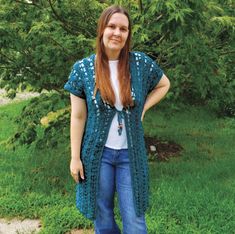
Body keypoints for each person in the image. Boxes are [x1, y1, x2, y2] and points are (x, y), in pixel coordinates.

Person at [64, 5, 170, 234]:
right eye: (112, 26)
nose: (117, 33)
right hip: (97, 156)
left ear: (128, 34)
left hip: (130, 155)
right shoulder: (83, 69)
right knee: (102, 216)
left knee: (134, 220)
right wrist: (75, 158)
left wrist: (142, 108)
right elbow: (78, 116)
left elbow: (164, 84)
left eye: (123, 28)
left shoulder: (139, 64)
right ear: (102, 30)